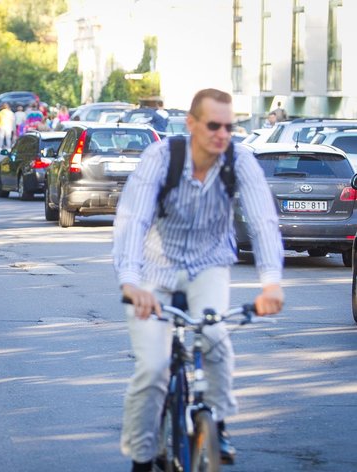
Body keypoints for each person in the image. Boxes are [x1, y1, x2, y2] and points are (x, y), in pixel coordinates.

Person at [112, 88, 284, 472]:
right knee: (154, 370)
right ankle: (142, 458)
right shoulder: (161, 158)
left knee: (216, 339)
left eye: (229, 126)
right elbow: (132, 218)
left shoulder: (239, 160)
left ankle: (216, 423)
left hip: (209, 265)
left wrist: (271, 282)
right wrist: (130, 282)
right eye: (213, 125)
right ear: (191, 124)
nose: (222, 134)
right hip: (155, 271)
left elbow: (262, 221)